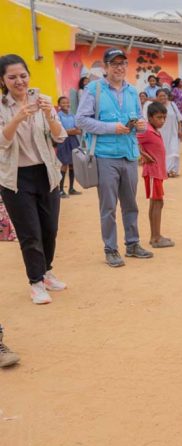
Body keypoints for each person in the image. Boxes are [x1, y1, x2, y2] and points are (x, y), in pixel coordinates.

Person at [76, 47, 154, 268]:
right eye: (114, 63)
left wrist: (140, 125)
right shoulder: (94, 89)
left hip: (129, 155)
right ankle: (111, 249)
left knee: (131, 204)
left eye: (123, 63)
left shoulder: (132, 91)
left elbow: (140, 120)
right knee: (108, 206)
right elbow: (81, 120)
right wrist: (111, 128)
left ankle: (132, 244)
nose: (119, 67)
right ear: (106, 67)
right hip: (105, 156)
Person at [0, 54, 68, 303]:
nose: (19, 81)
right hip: (16, 178)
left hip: (46, 173)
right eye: (12, 77)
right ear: (3, 80)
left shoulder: (42, 101)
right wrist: (18, 117)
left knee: (50, 228)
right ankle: (36, 282)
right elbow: (1, 142)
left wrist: (50, 114)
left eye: (23, 75)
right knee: (30, 233)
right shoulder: (2, 108)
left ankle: (47, 271)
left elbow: (60, 137)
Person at [137, 102, 174, 249]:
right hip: (152, 172)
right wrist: (142, 154)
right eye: (159, 117)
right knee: (157, 203)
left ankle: (155, 236)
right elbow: (131, 139)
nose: (162, 121)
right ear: (150, 117)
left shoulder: (153, 130)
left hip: (157, 172)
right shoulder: (146, 130)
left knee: (157, 203)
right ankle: (156, 237)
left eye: (164, 117)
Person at [144, 89, 182, 178]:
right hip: (160, 132)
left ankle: (173, 170)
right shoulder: (153, 107)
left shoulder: (172, 104)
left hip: (173, 132)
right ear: (157, 97)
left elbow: (179, 118)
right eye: (160, 96)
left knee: (174, 150)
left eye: (164, 95)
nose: (163, 97)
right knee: (164, 151)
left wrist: (180, 130)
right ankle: (165, 170)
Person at [55, 96, 81, 198]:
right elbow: (60, 131)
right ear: (59, 105)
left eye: (67, 102)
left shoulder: (72, 115)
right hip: (63, 141)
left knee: (73, 164)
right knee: (64, 164)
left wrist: (68, 131)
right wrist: (71, 131)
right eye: (63, 103)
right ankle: (60, 190)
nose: (66, 104)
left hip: (73, 141)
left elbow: (79, 130)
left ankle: (71, 188)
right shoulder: (58, 116)